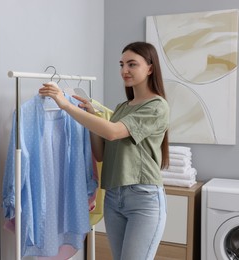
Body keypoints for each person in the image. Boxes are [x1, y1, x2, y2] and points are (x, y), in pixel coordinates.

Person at [39, 41, 169, 260]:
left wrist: (66, 105)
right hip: (113, 197)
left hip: (143, 199)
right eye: (121, 64)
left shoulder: (157, 106)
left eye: (132, 64)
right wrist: (93, 116)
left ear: (150, 68)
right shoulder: (122, 108)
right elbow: (101, 153)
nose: (124, 70)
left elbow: (113, 132)